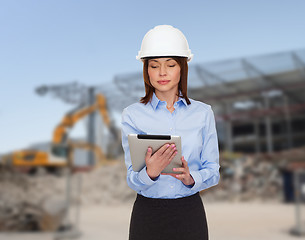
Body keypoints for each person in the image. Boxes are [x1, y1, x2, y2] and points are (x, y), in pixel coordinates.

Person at [121, 25, 220, 240]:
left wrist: (191, 178)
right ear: (146, 70)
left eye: (171, 64)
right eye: (154, 65)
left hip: (189, 213)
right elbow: (131, 177)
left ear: (182, 67)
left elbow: (213, 170)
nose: (162, 72)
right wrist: (150, 173)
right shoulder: (132, 115)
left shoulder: (203, 113)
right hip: (148, 214)